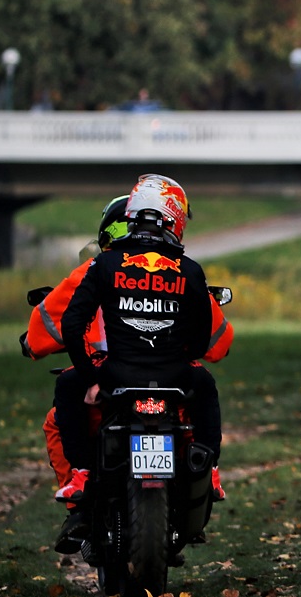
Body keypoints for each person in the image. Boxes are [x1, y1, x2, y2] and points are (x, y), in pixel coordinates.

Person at [23, 187, 232, 552]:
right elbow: (217, 344)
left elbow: (51, 332)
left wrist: (87, 373)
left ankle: (81, 495)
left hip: (108, 384)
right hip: (174, 386)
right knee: (201, 395)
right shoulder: (186, 271)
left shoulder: (94, 270)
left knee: (60, 415)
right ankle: (207, 472)